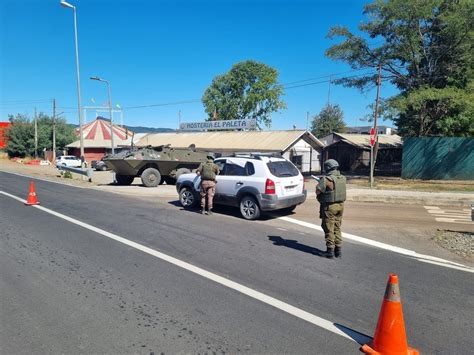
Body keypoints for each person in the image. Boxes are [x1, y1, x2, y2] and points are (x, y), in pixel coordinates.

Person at [316, 159, 346, 259]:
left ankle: (330, 251)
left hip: (330, 207)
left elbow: (318, 191)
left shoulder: (326, 179)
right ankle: (338, 251)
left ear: (327, 167)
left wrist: (320, 182)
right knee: (337, 227)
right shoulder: (342, 178)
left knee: (329, 228)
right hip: (340, 206)